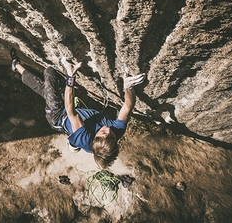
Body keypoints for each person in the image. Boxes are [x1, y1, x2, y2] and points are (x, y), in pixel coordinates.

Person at [10, 48, 145, 169]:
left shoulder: (85, 139)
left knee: (49, 73)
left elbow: (70, 110)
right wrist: (128, 87)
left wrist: (71, 76)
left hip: (57, 115)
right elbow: (128, 106)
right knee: (43, 89)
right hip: (71, 111)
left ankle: (18, 66)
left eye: (104, 133)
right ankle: (16, 65)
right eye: (112, 135)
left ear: (94, 138)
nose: (109, 129)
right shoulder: (116, 133)